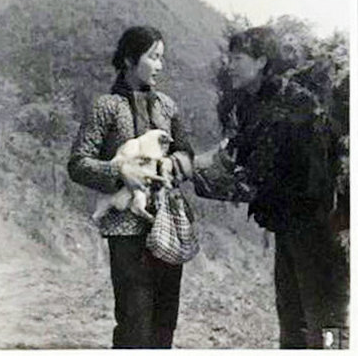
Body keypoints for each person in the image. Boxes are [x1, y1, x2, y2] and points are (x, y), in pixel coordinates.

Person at [214, 26, 349, 349]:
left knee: (325, 326)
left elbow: (282, 172)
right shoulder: (252, 104)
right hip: (287, 225)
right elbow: (238, 154)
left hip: (316, 227)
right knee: (292, 321)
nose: (230, 65)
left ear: (261, 61)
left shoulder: (295, 104)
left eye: (238, 58)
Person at [67, 26, 195, 348]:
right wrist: (120, 171)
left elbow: (186, 154)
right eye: (153, 57)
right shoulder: (106, 107)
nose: (159, 66)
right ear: (129, 59)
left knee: (165, 322)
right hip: (126, 230)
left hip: (166, 225)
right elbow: (78, 163)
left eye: (161, 58)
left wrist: (172, 164)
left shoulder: (167, 106)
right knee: (134, 324)